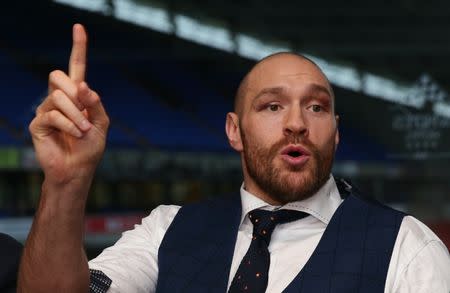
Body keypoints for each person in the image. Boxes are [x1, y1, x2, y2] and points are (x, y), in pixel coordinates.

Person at [17, 24, 449, 293]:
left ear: (335, 134)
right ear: (234, 131)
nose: (297, 123)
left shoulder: (409, 248)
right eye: (272, 106)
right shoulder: (166, 229)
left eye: (316, 107)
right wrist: (65, 184)